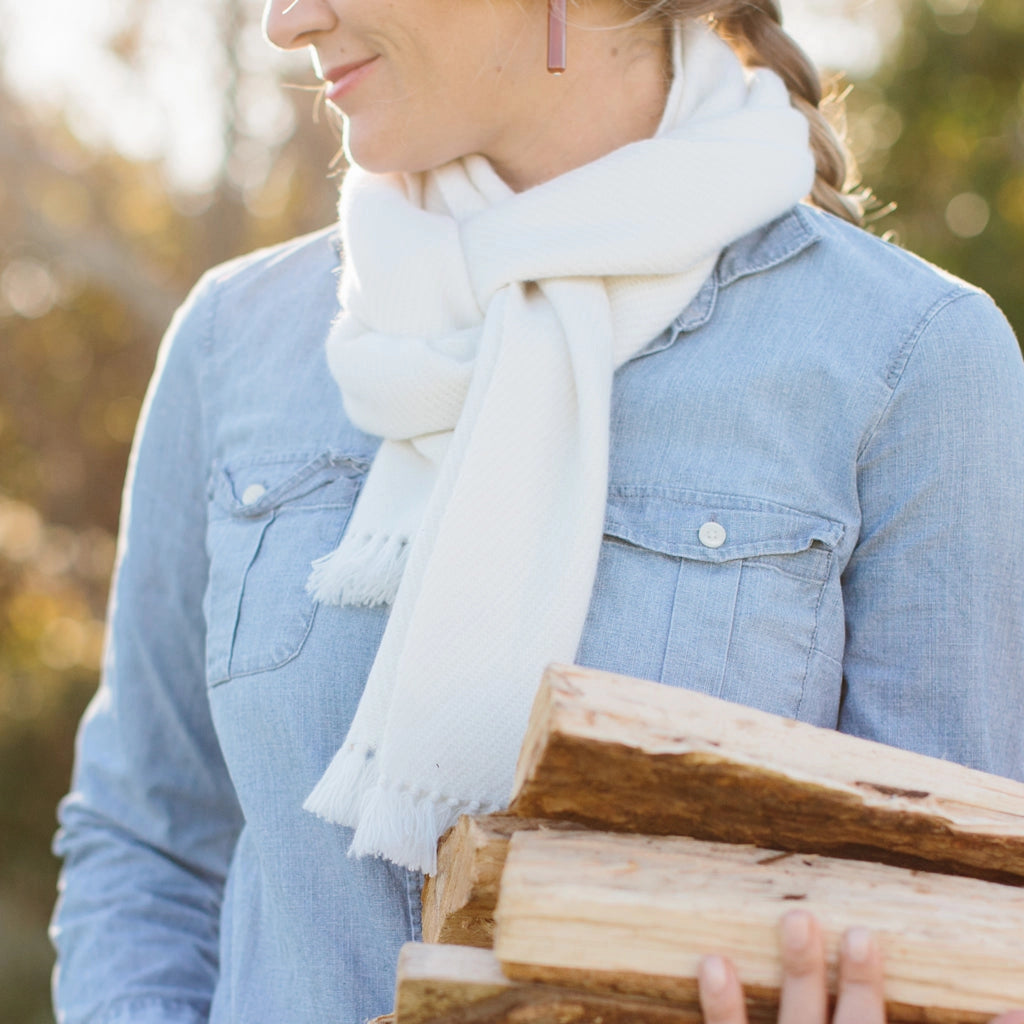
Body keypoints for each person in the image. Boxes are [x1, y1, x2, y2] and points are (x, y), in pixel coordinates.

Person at [50, 0, 1024, 1021]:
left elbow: (959, 923)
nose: (287, 22)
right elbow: (147, 844)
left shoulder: (911, 361)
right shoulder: (234, 340)